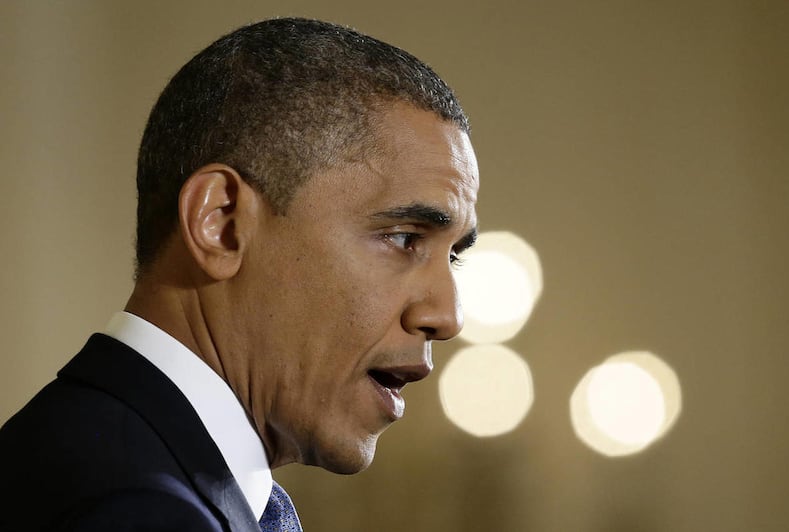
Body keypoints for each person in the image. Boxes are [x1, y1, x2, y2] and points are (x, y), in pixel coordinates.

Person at [0, 17, 479, 532]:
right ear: (222, 224)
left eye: (453, 256)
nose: (446, 317)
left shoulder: (90, 459)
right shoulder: (134, 512)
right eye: (405, 238)